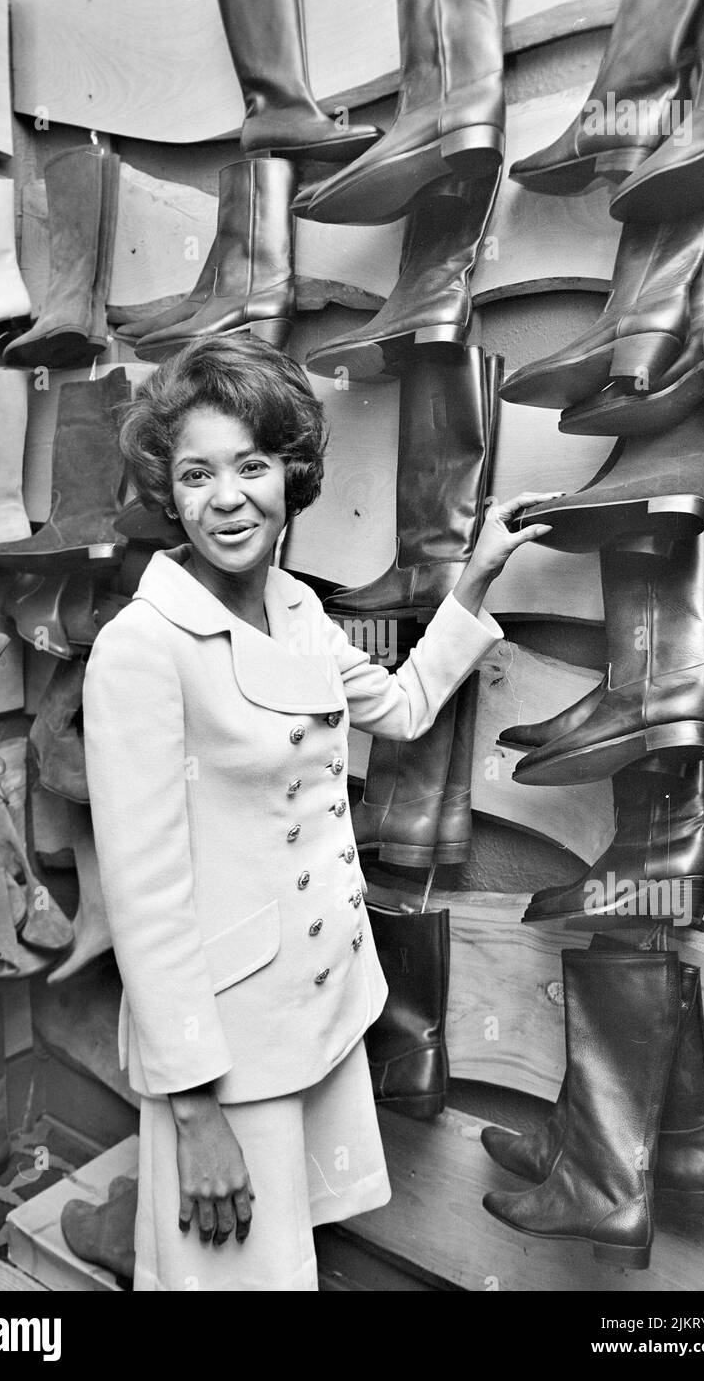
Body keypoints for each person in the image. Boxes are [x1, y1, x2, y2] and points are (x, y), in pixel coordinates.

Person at [83, 333, 557, 1291]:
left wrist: (475, 580)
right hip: (224, 1055)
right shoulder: (141, 648)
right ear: (167, 493)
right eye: (196, 472)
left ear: (290, 475)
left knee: (283, 1266)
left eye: (252, 466)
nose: (227, 498)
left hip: (316, 1011)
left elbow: (403, 708)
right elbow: (145, 901)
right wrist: (193, 1112)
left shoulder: (298, 610)